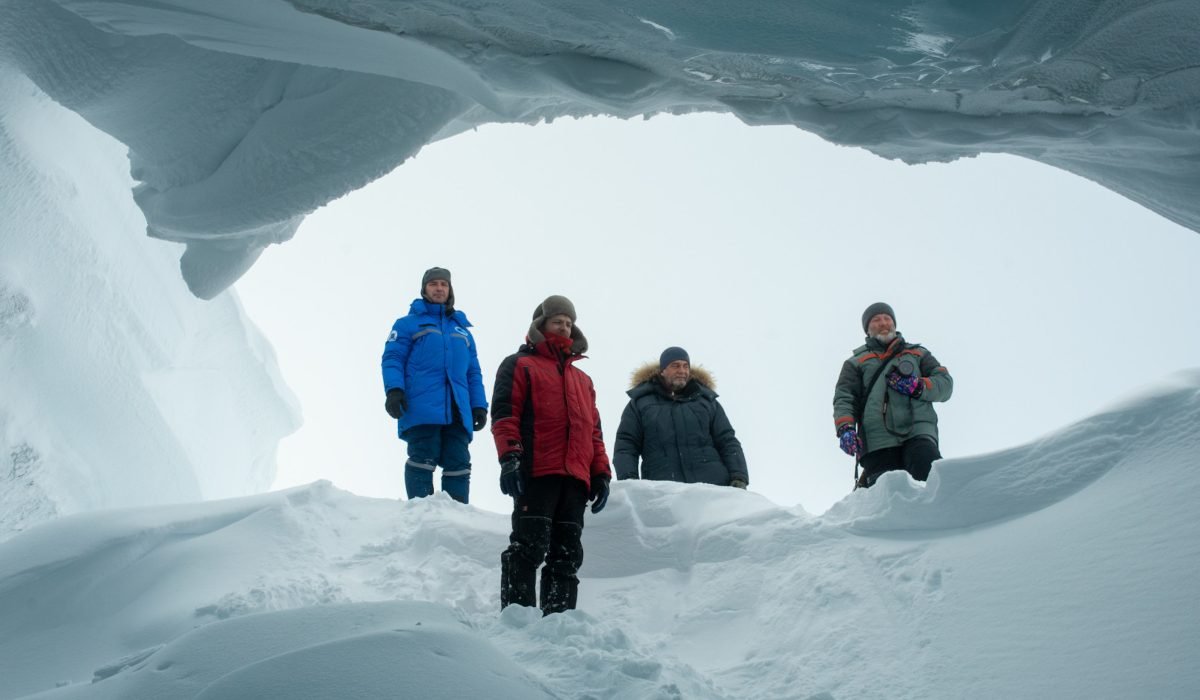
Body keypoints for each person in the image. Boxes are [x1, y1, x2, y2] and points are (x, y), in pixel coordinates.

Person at [490, 295, 611, 615]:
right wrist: (510, 457)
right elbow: (505, 415)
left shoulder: (583, 380)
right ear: (540, 324)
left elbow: (593, 431)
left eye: (569, 322)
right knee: (528, 546)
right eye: (558, 320)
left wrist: (601, 473)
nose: (564, 326)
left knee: (567, 555)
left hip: (575, 478)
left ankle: (558, 623)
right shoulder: (519, 365)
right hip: (538, 471)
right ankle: (517, 620)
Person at [381, 267, 488, 504]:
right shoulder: (408, 324)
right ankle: (421, 516)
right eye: (433, 284)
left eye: (444, 284)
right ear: (424, 289)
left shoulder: (462, 331)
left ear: (450, 290)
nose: (439, 288)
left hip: (458, 409)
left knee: (458, 463)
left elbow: (473, 372)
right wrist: (394, 391)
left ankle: (457, 518)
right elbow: (393, 358)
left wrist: (479, 405)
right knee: (422, 457)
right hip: (421, 405)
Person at [832, 302, 953, 489]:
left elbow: (945, 383)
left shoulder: (918, 353)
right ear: (867, 329)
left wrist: (918, 386)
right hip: (876, 440)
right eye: (876, 320)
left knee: (930, 477)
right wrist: (845, 428)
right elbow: (845, 397)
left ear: (894, 324)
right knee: (886, 496)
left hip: (918, 430)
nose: (883, 323)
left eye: (887, 318)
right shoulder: (855, 362)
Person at [613, 347, 749, 488]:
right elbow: (626, 445)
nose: (682, 371)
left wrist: (739, 476)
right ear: (662, 370)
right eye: (675, 366)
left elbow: (727, 441)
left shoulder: (707, 402)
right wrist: (629, 481)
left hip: (713, 489)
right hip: (664, 492)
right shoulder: (640, 404)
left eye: (685, 366)